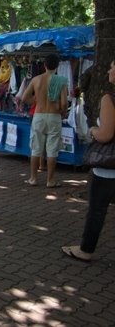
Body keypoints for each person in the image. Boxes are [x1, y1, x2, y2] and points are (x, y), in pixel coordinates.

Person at [62, 60, 115, 262]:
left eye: (113, 66)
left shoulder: (109, 99)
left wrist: (93, 130)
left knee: (97, 210)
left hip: (109, 166)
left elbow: (105, 134)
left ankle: (86, 249)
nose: (109, 69)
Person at [22, 54, 68, 187]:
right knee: (52, 149)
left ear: (44, 65)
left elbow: (24, 97)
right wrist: (63, 112)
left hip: (39, 115)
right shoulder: (62, 80)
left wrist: (35, 102)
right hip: (54, 116)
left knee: (36, 148)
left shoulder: (36, 79)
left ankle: (33, 178)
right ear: (57, 66)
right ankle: (50, 180)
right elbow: (64, 103)